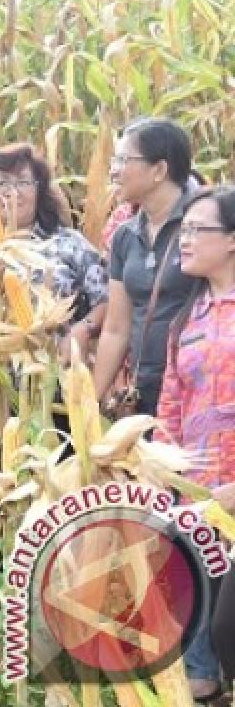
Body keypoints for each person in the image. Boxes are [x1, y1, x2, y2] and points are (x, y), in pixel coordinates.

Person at [153, 186, 235, 702]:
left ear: (231, 240)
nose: (183, 240)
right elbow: (170, 401)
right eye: (180, 230)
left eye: (196, 230)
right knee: (199, 603)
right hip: (196, 489)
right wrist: (164, 462)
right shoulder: (190, 315)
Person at [0, 143, 109, 364]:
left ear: (39, 191)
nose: (12, 191)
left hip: (59, 372)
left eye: (23, 182)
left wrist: (83, 329)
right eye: (1, 182)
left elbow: (107, 301)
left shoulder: (70, 245)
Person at [93, 118, 198, 415]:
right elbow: (116, 327)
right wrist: (90, 404)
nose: (113, 170)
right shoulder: (125, 236)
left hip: (197, 388)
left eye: (123, 160)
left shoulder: (207, 225)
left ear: (159, 170)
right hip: (146, 388)